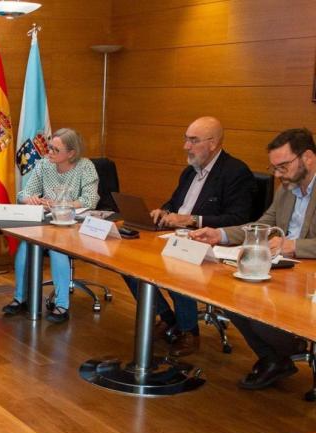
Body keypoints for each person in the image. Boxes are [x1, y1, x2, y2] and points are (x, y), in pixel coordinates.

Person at [191, 128, 316, 390]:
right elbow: (261, 226)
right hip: (282, 268)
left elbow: (291, 243)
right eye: (274, 168)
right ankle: (275, 357)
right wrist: (220, 234)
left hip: (308, 276)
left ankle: (291, 340)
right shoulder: (286, 189)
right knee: (230, 293)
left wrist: (293, 245)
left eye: (283, 166)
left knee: (254, 303)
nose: (277, 175)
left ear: (308, 158)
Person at [124, 116, 253, 356]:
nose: (186, 146)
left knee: (177, 263)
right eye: (186, 140)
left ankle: (188, 331)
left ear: (213, 143)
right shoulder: (189, 171)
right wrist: (162, 212)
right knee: (128, 262)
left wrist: (194, 220)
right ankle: (167, 316)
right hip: (174, 234)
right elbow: (175, 203)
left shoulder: (236, 172)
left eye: (193, 141)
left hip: (208, 241)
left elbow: (239, 219)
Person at [1, 128, 99, 324]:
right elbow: (23, 195)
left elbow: (90, 200)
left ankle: (61, 305)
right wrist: (32, 199)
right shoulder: (43, 165)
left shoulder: (85, 167)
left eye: (55, 150)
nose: (49, 153)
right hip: (46, 223)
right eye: (49, 148)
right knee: (25, 244)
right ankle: (21, 299)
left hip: (73, 226)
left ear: (71, 153)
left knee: (57, 249)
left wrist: (61, 204)